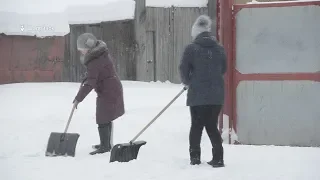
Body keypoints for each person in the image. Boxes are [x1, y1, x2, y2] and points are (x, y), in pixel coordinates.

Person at [179, 15, 227, 167]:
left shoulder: (191, 49)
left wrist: (187, 81)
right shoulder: (219, 49)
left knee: (197, 126)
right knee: (212, 126)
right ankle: (218, 158)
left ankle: (195, 157)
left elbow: (183, 69)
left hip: (198, 96)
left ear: (195, 32)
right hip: (216, 96)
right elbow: (223, 69)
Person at [73, 33, 125, 155]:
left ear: (89, 48)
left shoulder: (94, 61)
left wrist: (78, 99)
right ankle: (105, 143)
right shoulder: (101, 54)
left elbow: (91, 82)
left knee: (102, 118)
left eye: (82, 50)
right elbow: (98, 73)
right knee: (105, 117)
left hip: (108, 91)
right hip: (110, 88)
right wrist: (88, 77)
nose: (81, 52)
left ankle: (105, 146)